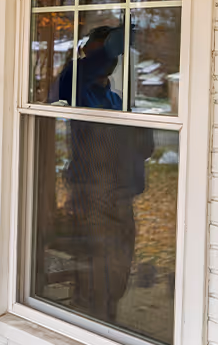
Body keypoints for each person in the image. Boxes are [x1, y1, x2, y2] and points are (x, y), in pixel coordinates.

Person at [52, 25, 153, 324]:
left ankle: (106, 323)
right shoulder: (77, 89)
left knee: (118, 269)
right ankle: (88, 324)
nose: (105, 59)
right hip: (92, 194)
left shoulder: (115, 100)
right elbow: (77, 73)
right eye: (95, 52)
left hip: (121, 196)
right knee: (96, 270)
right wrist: (111, 45)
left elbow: (143, 146)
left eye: (109, 52)